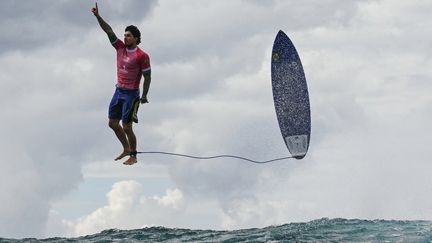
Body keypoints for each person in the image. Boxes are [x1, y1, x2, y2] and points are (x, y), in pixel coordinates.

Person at [92, 2, 151, 165]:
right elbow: (108, 31)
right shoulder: (119, 47)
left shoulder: (142, 55)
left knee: (126, 126)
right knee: (112, 123)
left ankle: (133, 155)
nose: (125, 37)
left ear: (136, 39)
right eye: (124, 35)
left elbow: (148, 77)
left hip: (132, 94)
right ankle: (126, 148)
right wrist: (98, 17)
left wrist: (144, 96)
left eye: (128, 36)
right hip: (119, 91)